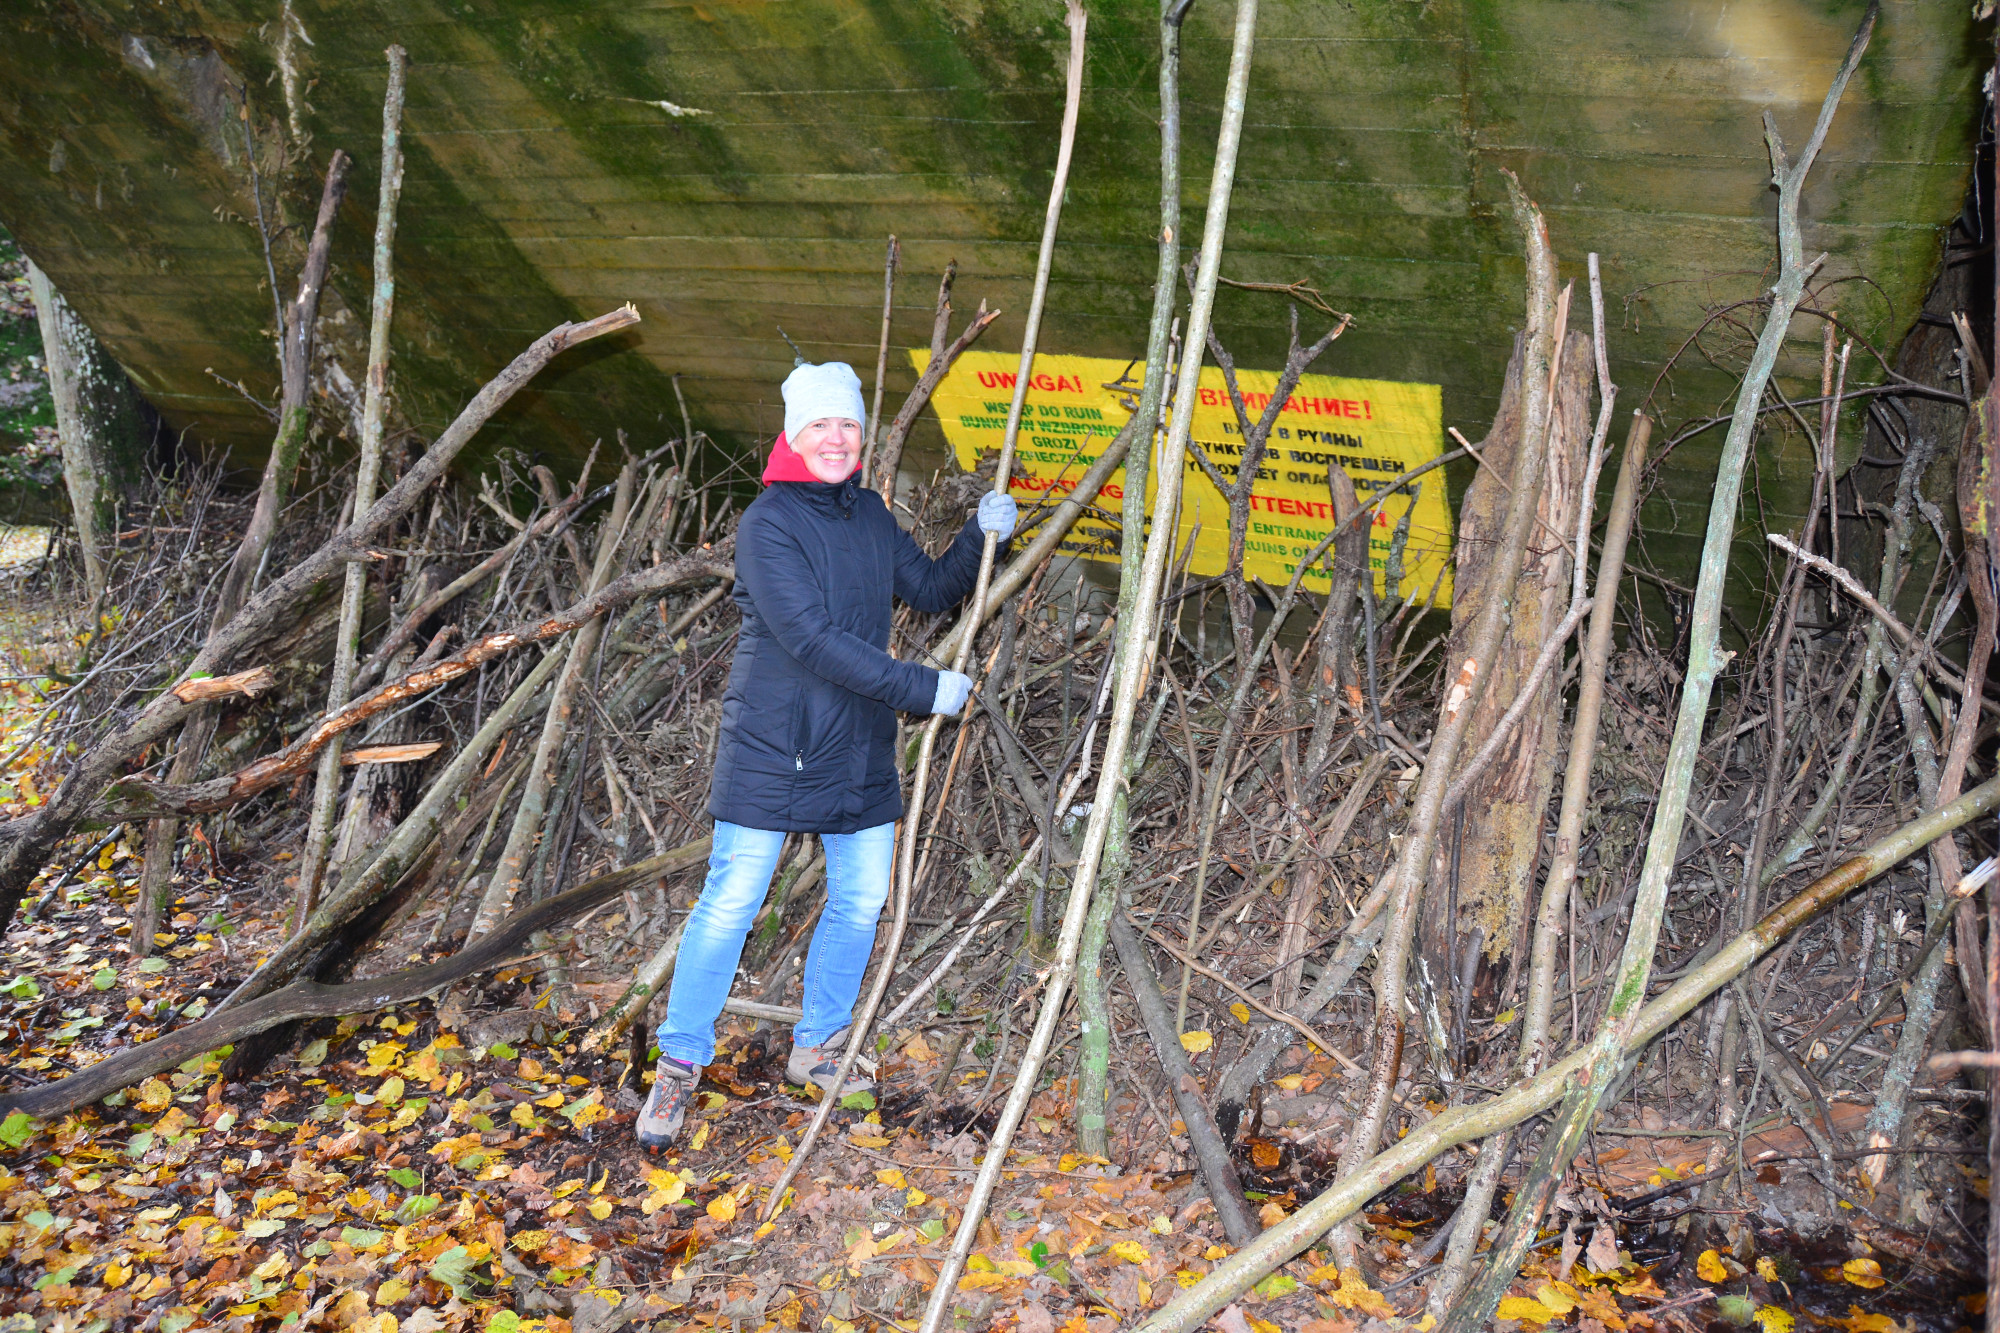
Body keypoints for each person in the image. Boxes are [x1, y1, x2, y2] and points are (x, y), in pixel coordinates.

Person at [636, 360, 1016, 1150]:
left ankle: (820, 1045)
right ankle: (678, 1062)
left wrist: (983, 534)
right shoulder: (768, 524)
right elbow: (810, 639)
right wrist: (924, 686)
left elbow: (935, 589)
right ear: (793, 434)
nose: (837, 438)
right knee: (732, 900)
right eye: (821, 426)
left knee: (859, 900)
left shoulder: (871, 514)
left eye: (848, 424)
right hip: (775, 741)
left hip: (857, 744)